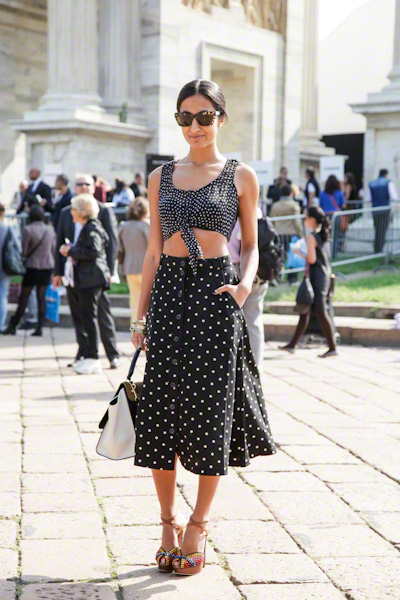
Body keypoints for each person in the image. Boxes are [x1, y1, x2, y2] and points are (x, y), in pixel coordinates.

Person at [130, 79, 277, 576]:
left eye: (204, 117)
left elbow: (251, 245)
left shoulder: (240, 175)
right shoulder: (160, 177)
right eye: (185, 117)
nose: (194, 126)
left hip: (215, 296)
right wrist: (139, 316)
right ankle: (167, 522)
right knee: (159, 412)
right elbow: (153, 251)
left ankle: (198, 524)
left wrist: (244, 286)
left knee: (210, 412)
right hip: (169, 295)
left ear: (221, 118)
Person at [53, 174, 119, 369]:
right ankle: (84, 353)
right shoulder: (67, 212)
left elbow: (110, 244)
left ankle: (111, 354)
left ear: (93, 187)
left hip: (94, 274)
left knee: (101, 314)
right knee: (79, 314)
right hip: (73, 272)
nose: (82, 186)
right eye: (79, 184)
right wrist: (57, 272)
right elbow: (59, 242)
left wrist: (109, 270)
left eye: (86, 184)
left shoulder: (101, 211)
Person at [59, 195, 110, 375]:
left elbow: (94, 250)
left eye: (74, 209)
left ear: (81, 211)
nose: (71, 212)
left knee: (89, 318)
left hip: (92, 279)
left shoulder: (91, 227)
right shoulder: (88, 226)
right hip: (88, 278)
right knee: (86, 318)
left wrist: (70, 251)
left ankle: (93, 358)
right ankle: (88, 356)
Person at [280, 206, 337, 358]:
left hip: (317, 277)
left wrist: (298, 252)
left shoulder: (312, 237)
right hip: (322, 275)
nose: (304, 220)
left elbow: (312, 259)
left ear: (312, 219)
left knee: (320, 311)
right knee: (305, 311)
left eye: (305, 217)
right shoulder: (323, 235)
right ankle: (292, 345)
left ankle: (332, 347)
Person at [3, 204, 55, 336]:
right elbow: (53, 249)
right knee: (41, 298)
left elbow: (25, 250)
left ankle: (13, 325)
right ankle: (40, 327)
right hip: (47, 266)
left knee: (24, 297)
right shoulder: (50, 230)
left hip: (32, 267)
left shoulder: (28, 229)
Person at [227, 205, 268, 370]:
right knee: (254, 320)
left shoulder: (230, 207)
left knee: (240, 321)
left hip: (238, 267)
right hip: (257, 271)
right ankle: (255, 367)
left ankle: (246, 368)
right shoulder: (255, 210)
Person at [118, 198, 150, 322]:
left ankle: (136, 330)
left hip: (129, 268)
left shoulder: (123, 226)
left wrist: (121, 270)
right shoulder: (145, 225)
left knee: (135, 303)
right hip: (147, 269)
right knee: (149, 303)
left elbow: (120, 251)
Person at [0, 203, 20, 331]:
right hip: (4, 267)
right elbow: (17, 247)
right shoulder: (7, 229)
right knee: (2, 296)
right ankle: (0, 324)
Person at [368, 169, 399, 254]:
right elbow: (394, 197)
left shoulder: (372, 183)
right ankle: (379, 249)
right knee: (383, 229)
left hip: (375, 210)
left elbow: (369, 198)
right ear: (386, 174)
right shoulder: (388, 182)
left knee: (377, 229)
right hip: (385, 209)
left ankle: (376, 248)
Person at [319, 175, 346, 259]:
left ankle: (325, 254)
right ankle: (333, 255)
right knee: (335, 236)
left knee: (325, 236)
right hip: (336, 216)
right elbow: (343, 205)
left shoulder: (322, 193)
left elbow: (320, 206)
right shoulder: (340, 193)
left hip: (326, 216)